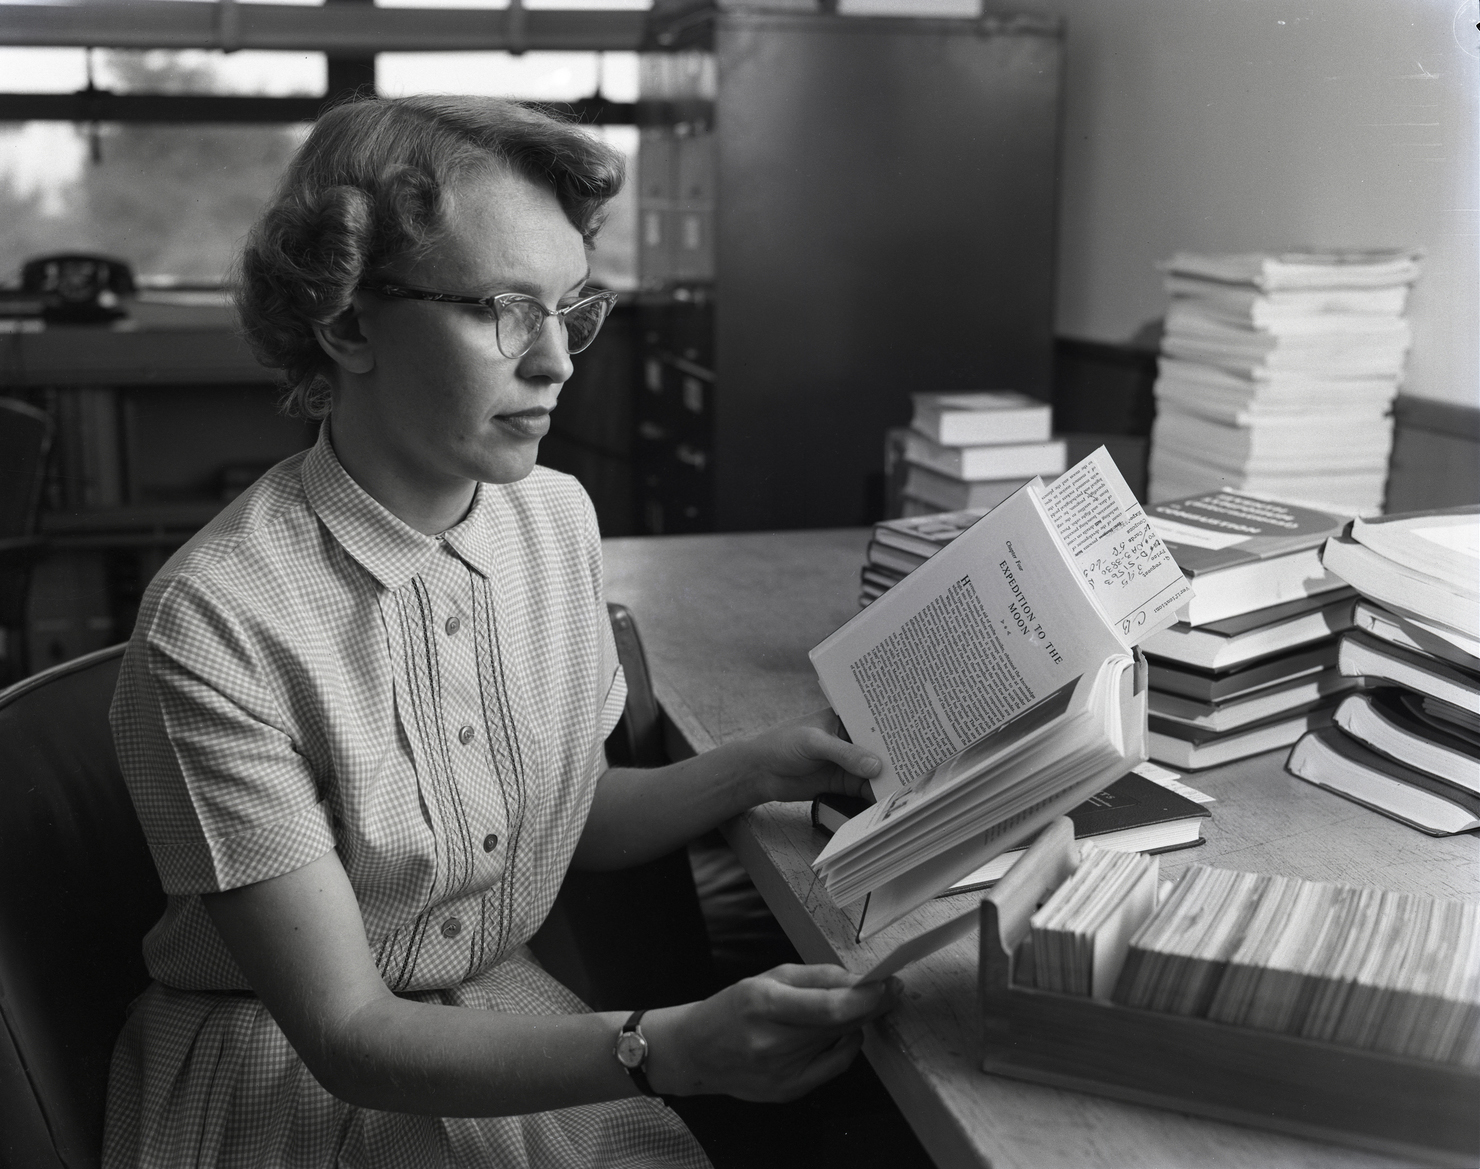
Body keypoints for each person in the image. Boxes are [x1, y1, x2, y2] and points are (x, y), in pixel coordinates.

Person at [103, 95, 897, 1169]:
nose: (557, 362)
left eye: (569, 308)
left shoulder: (554, 517)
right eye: (503, 310)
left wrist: (757, 768)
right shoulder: (216, 620)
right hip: (295, 1078)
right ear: (346, 323)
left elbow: (555, 816)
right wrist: (663, 1047)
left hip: (503, 1019)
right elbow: (349, 1035)